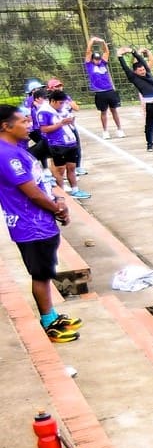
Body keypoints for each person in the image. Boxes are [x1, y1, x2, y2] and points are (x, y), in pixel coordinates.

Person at [0, 104, 78, 342]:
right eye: (23, 122)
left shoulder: (18, 148)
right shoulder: (6, 154)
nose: (28, 125)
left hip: (41, 221)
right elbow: (31, 192)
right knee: (41, 275)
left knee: (47, 270)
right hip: (29, 224)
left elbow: (39, 182)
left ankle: (52, 313)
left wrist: (57, 201)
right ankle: (49, 322)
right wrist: (57, 209)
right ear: (6, 126)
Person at [83, 38, 124, 137]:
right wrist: (92, 41)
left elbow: (106, 52)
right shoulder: (89, 65)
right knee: (103, 112)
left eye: (98, 59)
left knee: (114, 110)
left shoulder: (103, 63)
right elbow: (88, 52)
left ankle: (119, 129)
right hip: (100, 92)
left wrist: (103, 43)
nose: (97, 61)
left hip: (109, 90)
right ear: (92, 59)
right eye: (95, 59)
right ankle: (105, 131)